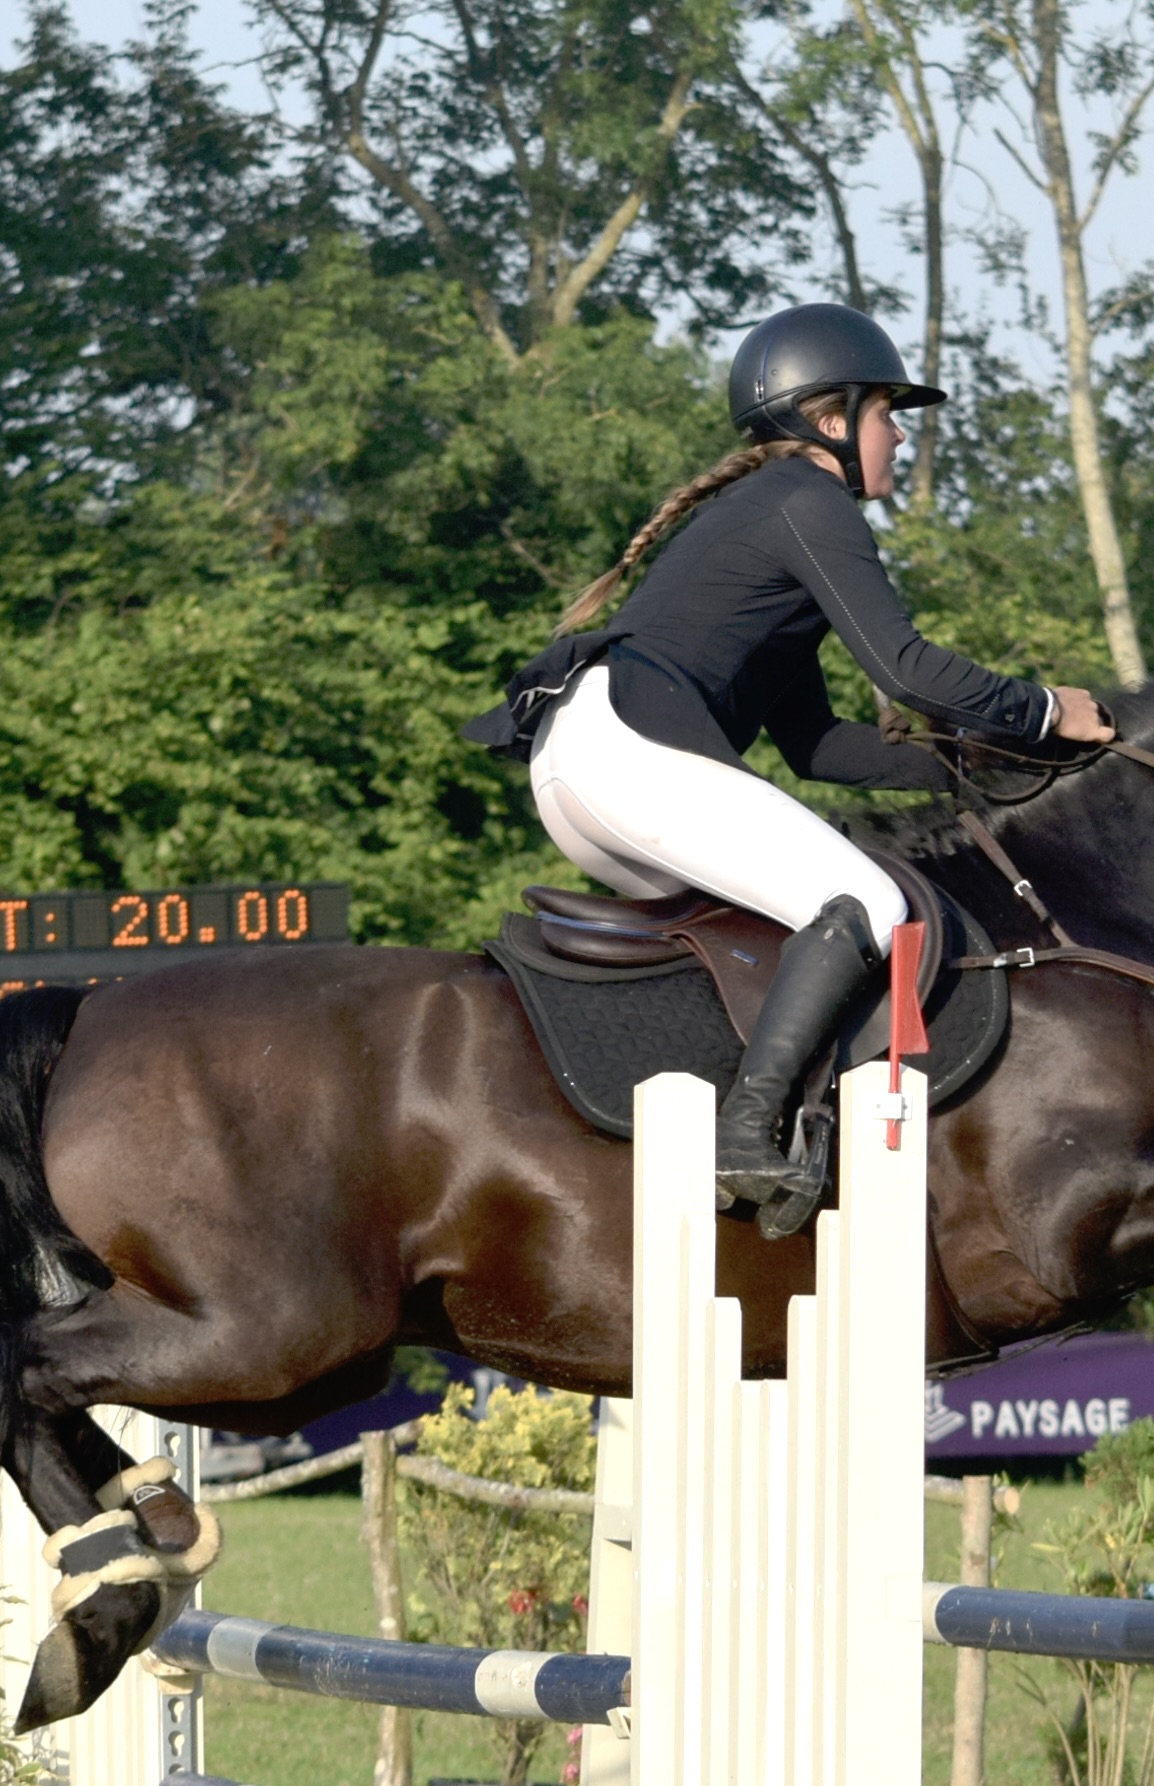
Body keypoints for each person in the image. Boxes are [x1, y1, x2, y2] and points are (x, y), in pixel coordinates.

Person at [466, 303, 1113, 1229]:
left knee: (777, 931)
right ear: (830, 420)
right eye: (888, 414)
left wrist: (975, 770)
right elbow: (908, 669)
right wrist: (1045, 714)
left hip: (582, 764)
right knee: (868, 905)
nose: (899, 437)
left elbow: (818, 746)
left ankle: (717, 1113)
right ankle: (745, 1133)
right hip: (630, 754)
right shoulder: (810, 504)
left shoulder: (768, 516)